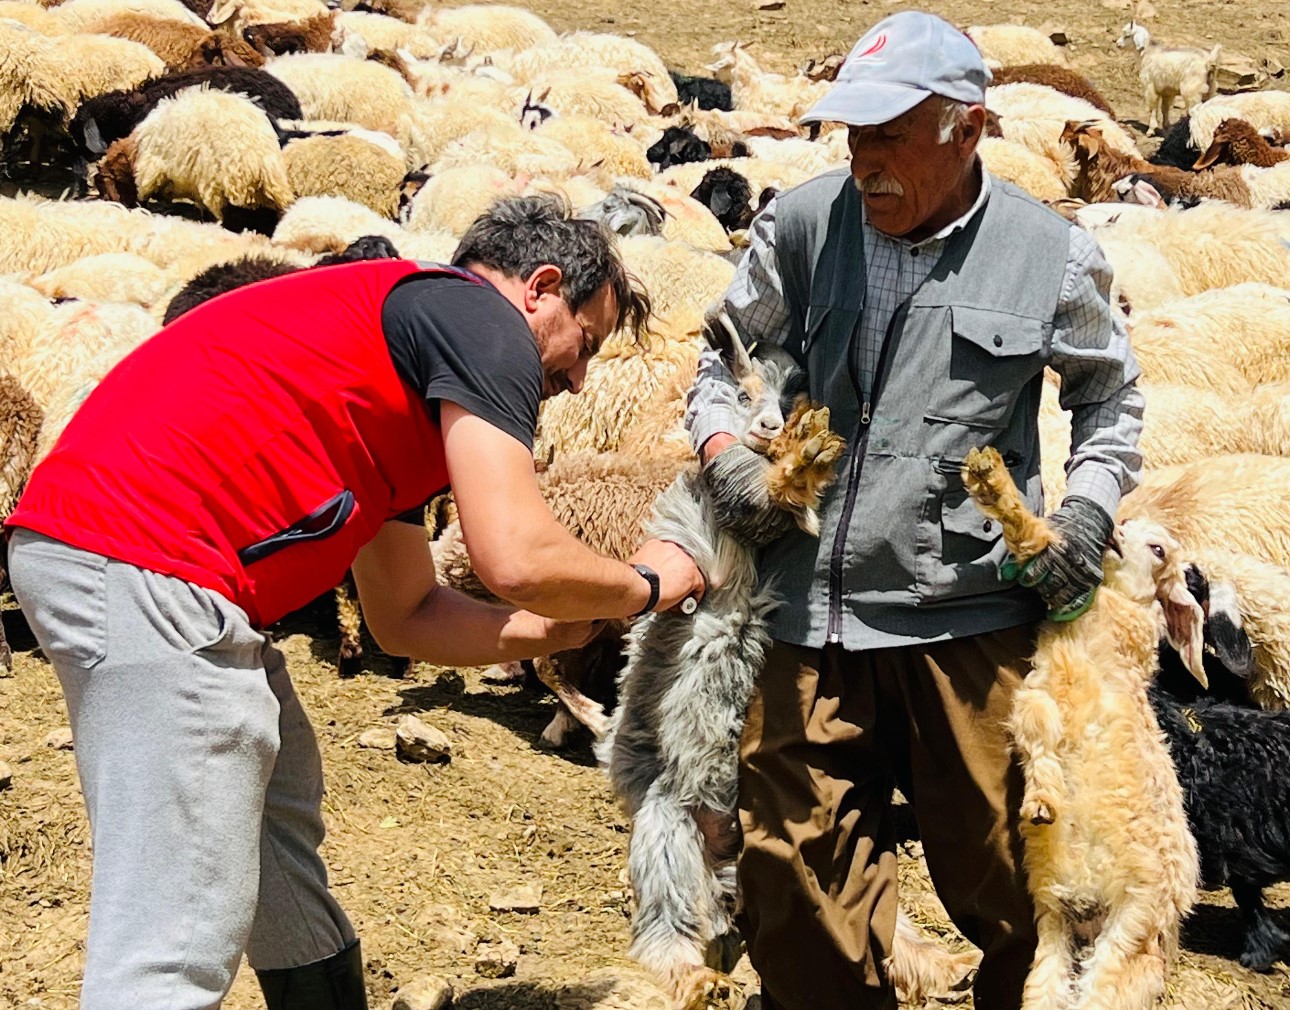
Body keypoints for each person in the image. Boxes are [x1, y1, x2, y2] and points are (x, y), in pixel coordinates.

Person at [5, 194, 705, 1010]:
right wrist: (646, 583)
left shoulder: (399, 368)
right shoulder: (481, 323)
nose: (579, 381)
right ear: (540, 289)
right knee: (177, 928)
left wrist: (550, 627)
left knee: (272, 806)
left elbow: (404, 613)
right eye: (584, 343)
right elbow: (513, 552)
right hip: (147, 559)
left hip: (116, 554)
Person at [685, 12, 1144, 1010]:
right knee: (791, 875)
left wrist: (1088, 513)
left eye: (891, 133)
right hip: (807, 613)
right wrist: (727, 455)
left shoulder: (1048, 254)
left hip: (968, 616)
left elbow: (1111, 397)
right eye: (854, 133)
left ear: (967, 129)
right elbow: (721, 361)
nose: (865, 158)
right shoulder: (804, 223)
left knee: (1018, 879)